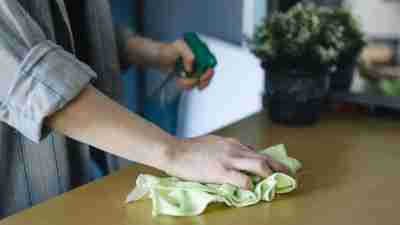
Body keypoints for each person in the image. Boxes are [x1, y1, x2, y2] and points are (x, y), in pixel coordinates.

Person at [0, 0, 289, 218]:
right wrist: (177, 152)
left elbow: (61, 20)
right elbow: (31, 79)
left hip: (73, 191)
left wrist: (151, 52)